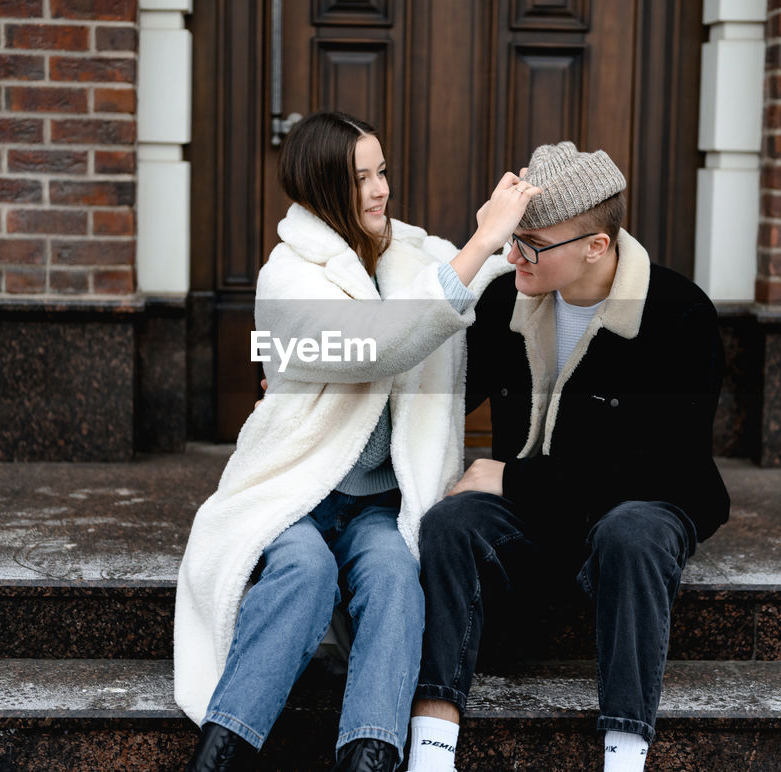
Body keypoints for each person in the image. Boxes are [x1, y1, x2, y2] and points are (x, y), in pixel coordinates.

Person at [174, 110, 539, 772]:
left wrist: (514, 242)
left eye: (382, 173)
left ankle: (368, 759)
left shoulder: (408, 251)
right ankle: (217, 758)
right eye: (358, 179)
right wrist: (481, 240)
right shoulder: (287, 277)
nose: (378, 191)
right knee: (305, 571)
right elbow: (376, 343)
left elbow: (469, 285)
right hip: (295, 493)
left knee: (399, 579)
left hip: (376, 504)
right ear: (319, 189)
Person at [406, 142, 730, 772]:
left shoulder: (678, 314)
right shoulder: (505, 303)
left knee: (632, 531)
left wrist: (512, 476)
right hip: (534, 516)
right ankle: (432, 749)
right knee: (449, 523)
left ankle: (625, 752)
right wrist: (314, 374)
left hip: (641, 510)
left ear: (596, 247)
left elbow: (661, 466)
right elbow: (425, 383)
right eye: (511, 237)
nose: (512, 254)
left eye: (532, 242)